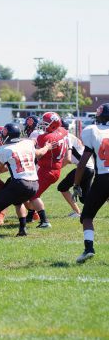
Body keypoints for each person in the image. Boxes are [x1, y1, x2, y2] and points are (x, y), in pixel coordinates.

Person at [0, 123, 51, 239]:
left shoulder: (3, 149)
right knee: (18, 202)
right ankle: (22, 229)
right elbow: (39, 153)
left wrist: (8, 163)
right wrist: (47, 147)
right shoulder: (28, 143)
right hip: (34, 183)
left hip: (19, 182)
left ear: (7, 135)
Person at [73, 103, 109, 263]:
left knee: (87, 216)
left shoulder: (92, 131)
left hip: (103, 179)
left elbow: (82, 164)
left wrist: (76, 184)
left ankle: (89, 248)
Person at [25, 112, 69, 228]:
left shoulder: (44, 137)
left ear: (53, 125)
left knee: (33, 194)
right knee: (35, 193)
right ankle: (30, 216)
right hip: (54, 168)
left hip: (47, 170)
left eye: (45, 123)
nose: (41, 125)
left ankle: (44, 221)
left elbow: (38, 155)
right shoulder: (63, 131)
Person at [57, 119, 94, 218]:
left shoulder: (67, 138)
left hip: (83, 168)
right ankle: (105, 196)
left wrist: (57, 168)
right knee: (85, 198)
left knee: (62, 187)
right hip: (89, 168)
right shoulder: (70, 136)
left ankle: (77, 212)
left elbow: (68, 159)